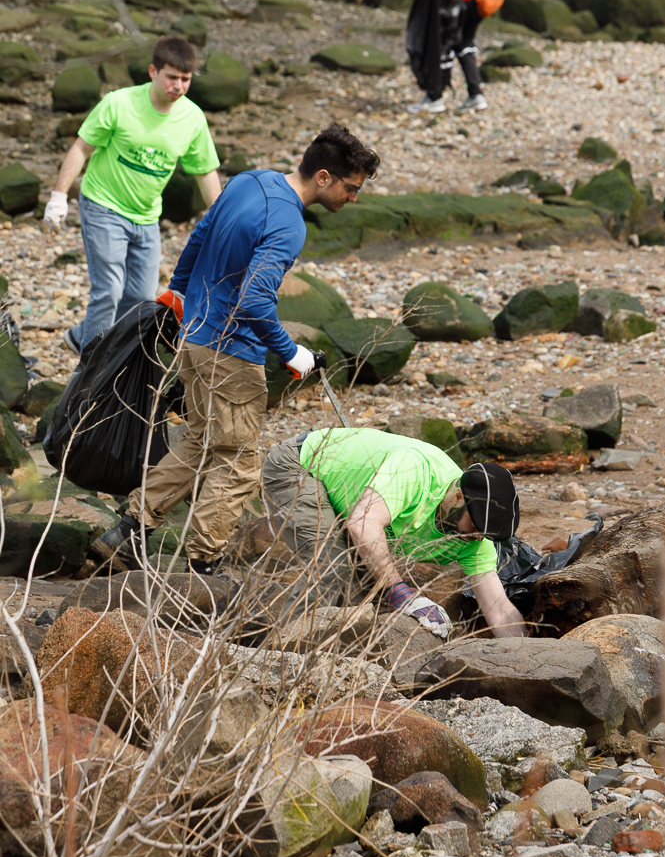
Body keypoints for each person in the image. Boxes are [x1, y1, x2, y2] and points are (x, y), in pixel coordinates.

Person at [92, 125, 381, 576]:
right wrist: (290, 352)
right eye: (351, 187)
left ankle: (128, 531)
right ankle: (202, 567)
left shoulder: (250, 180)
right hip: (230, 355)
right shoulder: (288, 223)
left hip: (195, 339)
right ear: (323, 177)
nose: (354, 198)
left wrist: (178, 292)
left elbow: (201, 234)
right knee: (240, 463)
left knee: (202, 441)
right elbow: (253, 298)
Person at [43, 36, 222, 354]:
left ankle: (83, 337)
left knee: (140, 299)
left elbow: (205, 171)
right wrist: (58, 196)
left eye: (185, 79)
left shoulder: (192, 118)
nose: (178, 86)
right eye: (172, 77)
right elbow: (81, 148)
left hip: (147, 216)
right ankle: (90, 374)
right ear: (153, 71)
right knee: (108, 289)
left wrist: (222, 218)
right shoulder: (119, 103)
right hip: (103, 205)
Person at [260, 427, 527, 639]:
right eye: (477, 527)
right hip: (302, 463)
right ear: (458, 497)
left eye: (487, 535)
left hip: (354, 501)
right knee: (334, 568)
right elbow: (362, 525)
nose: (479, 537)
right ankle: (278, 661)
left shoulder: (477, 538)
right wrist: (404, 595)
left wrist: (523, 658)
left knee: (365, 595)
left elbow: (499, 609)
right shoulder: (415, 471)